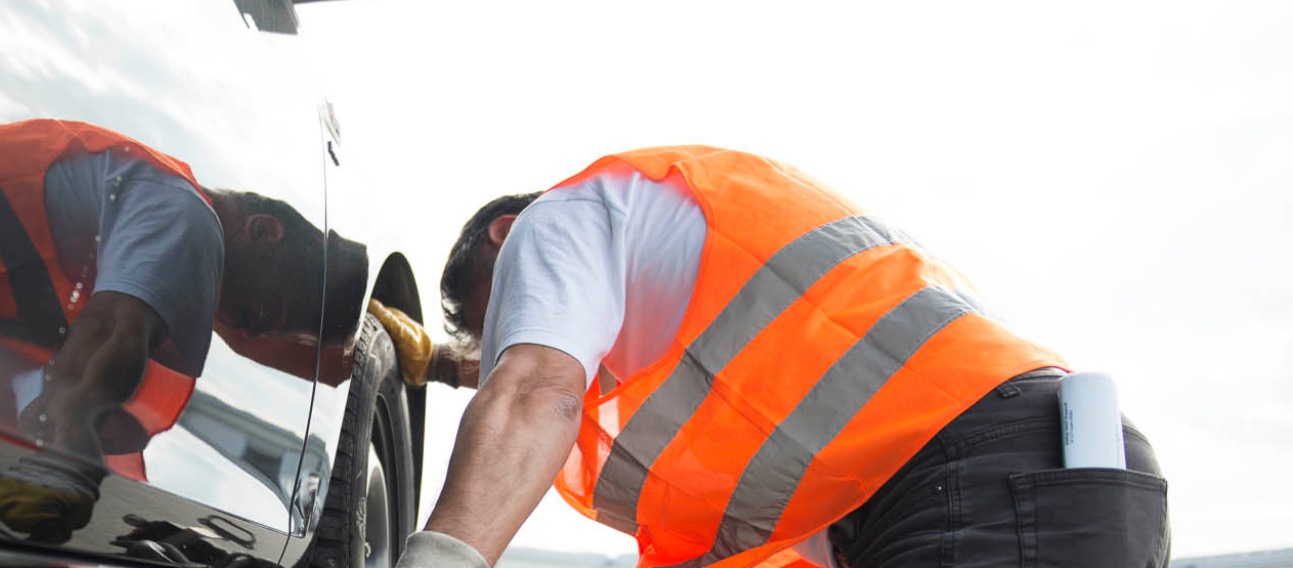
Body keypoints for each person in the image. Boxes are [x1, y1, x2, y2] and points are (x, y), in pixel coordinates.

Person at [392, 146, 1169, 568]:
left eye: (505, 316)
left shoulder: (560, 220)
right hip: (1048, 478)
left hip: (983, 488)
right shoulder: (706, 288)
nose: (516, 341)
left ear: (503, 236)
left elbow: (535, 389)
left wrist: (443, 561)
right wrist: (444, 366)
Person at [0, 118, 364, 542]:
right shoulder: (187, 217)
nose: (248, 326)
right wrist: (64, 462)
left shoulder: (139, 205)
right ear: (264, 232)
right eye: (267, 311)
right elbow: (112, 330)